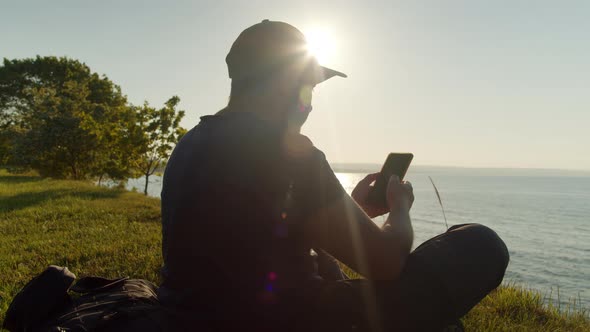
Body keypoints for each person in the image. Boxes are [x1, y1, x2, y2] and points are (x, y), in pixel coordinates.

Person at [158, 19, 509, 332]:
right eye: (308, 87)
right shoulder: (287, 152)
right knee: (480, 244)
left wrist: (351, 212)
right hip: (277, 319)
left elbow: (251, 236)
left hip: (189, 315)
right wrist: (399, 209)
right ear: (283, 81)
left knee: (324, 262)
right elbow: (385, 263)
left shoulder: (192, 142)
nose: (310, 103)